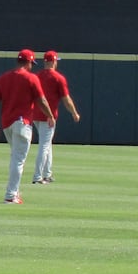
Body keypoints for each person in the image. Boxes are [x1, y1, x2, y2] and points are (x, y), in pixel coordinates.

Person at [0, 49, 54, 204]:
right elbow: (42, 101)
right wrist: (50, 116)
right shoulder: (31, 78)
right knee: (18, 160)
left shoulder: (3, 78)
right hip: (22, 123)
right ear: (29, 62)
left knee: (15, 158)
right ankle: (11, 195)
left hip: (7, 124)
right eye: (32, 63)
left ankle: (15, 192)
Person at [31, 50, 81, 184]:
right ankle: (37, 176)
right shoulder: (58, 78)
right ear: (53, 62)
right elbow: (66, 99)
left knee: (47, 144)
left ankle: (47, 173)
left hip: (35, 115)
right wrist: (74, 113)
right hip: (49, 116)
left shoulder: (37, 76)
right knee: (44, 145)